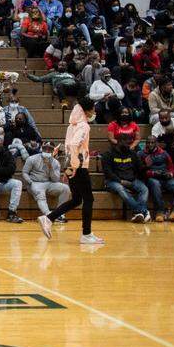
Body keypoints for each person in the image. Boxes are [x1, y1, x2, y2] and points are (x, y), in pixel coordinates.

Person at [39, 97, 102, 244]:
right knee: (88, 199)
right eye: (93, 108)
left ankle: (48, 218)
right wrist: (75, 166)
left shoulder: (71, 125)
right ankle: (86, 234)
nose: (94, 111)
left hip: (70, 165)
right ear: (87, 110)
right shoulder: (84, 126)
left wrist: (68, 170)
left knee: (76, 199)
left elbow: (68, 147)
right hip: (78, 166)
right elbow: (74, 145)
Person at [101, 133, 151, 223]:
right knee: (121, 189)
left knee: (144, 189)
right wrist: (120, 181)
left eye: (130, 143)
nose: (129, 146)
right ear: (119, 142)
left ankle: (138, 214)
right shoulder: (108, 154)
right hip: (113, 181)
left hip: (131, 179)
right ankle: (143, 211)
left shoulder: (132, 153)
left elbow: (140, 168)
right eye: (127, 144)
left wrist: (147, 166)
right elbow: (108, 173)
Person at [141, 135, 174, 222]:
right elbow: (140, 171)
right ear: (145, 143)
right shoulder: (141, 154)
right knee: (155, 184)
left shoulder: (163, 153)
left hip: (165, 177)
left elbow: (171, 167)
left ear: (156, 143)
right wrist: (152, 173)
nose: (150, 144)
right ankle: (160, 211)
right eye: (148, 142)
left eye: (152, 142)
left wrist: (170, 174)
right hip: (152, 177)